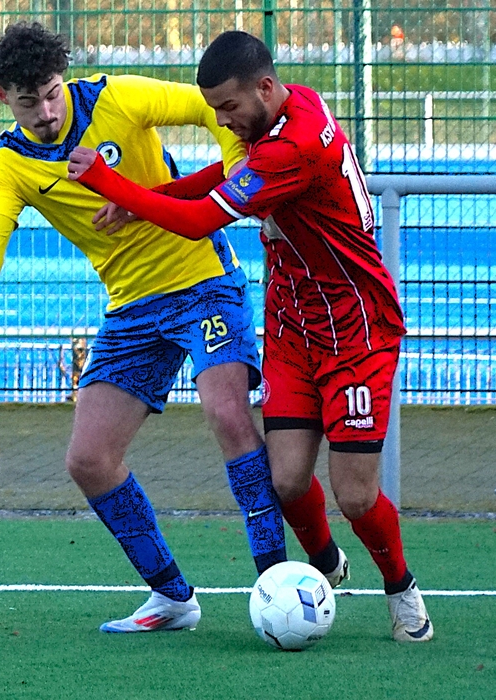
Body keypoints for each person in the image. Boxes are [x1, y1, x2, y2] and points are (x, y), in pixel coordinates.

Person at [0, 22, 287, 633]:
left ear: (64, 79)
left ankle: (277, 584)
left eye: (52, 94)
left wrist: (238, 175)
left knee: (228, 415)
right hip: (131, 307)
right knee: (89, 459)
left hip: (203, 281)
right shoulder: (9, 165)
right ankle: (172, 597)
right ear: (2, 97)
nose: (46, 112)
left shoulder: (118, 96)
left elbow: (210, 109)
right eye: (28, 102)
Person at [67, 30, 433, 642]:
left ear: (264, 88)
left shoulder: (294, 148)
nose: (221, 120)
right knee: (285, 480)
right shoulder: (289, 107)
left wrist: (110, 182)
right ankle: (323, 567)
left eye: (229, 107)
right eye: (213, 108)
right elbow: (224, 175)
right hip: (292, 325)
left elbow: (200, 220)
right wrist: (149, 197)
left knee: (355, 495)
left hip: (356, 329)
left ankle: (402, 589)